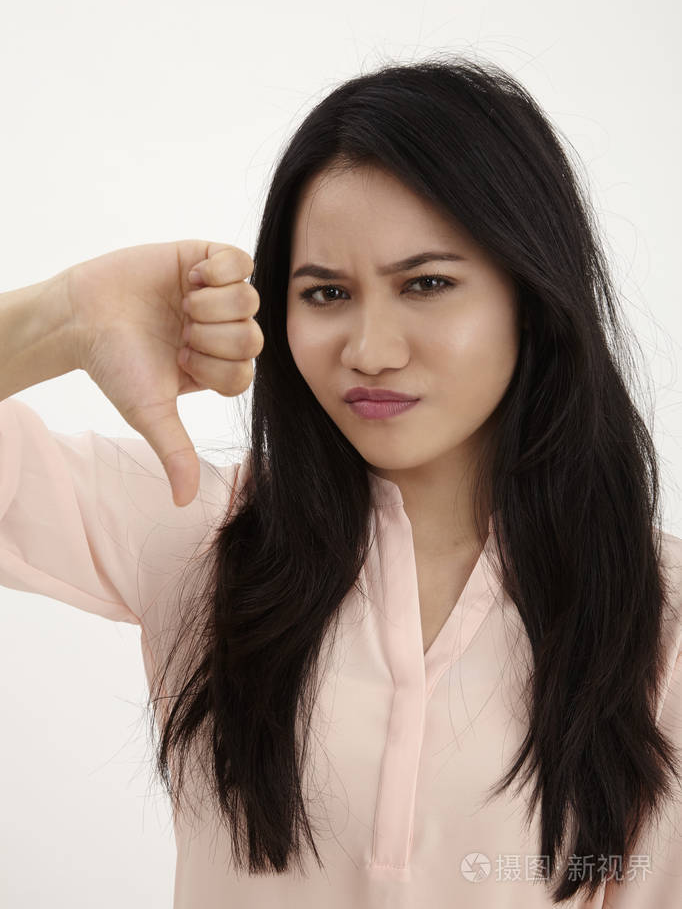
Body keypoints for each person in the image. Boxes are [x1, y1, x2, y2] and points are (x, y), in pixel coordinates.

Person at [1, 55, 681, 908]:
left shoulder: (657, 614)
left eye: (426, 284)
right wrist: (57, 318)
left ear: (531, 294)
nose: (369, 349)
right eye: (326, 292)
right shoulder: (197, 529)